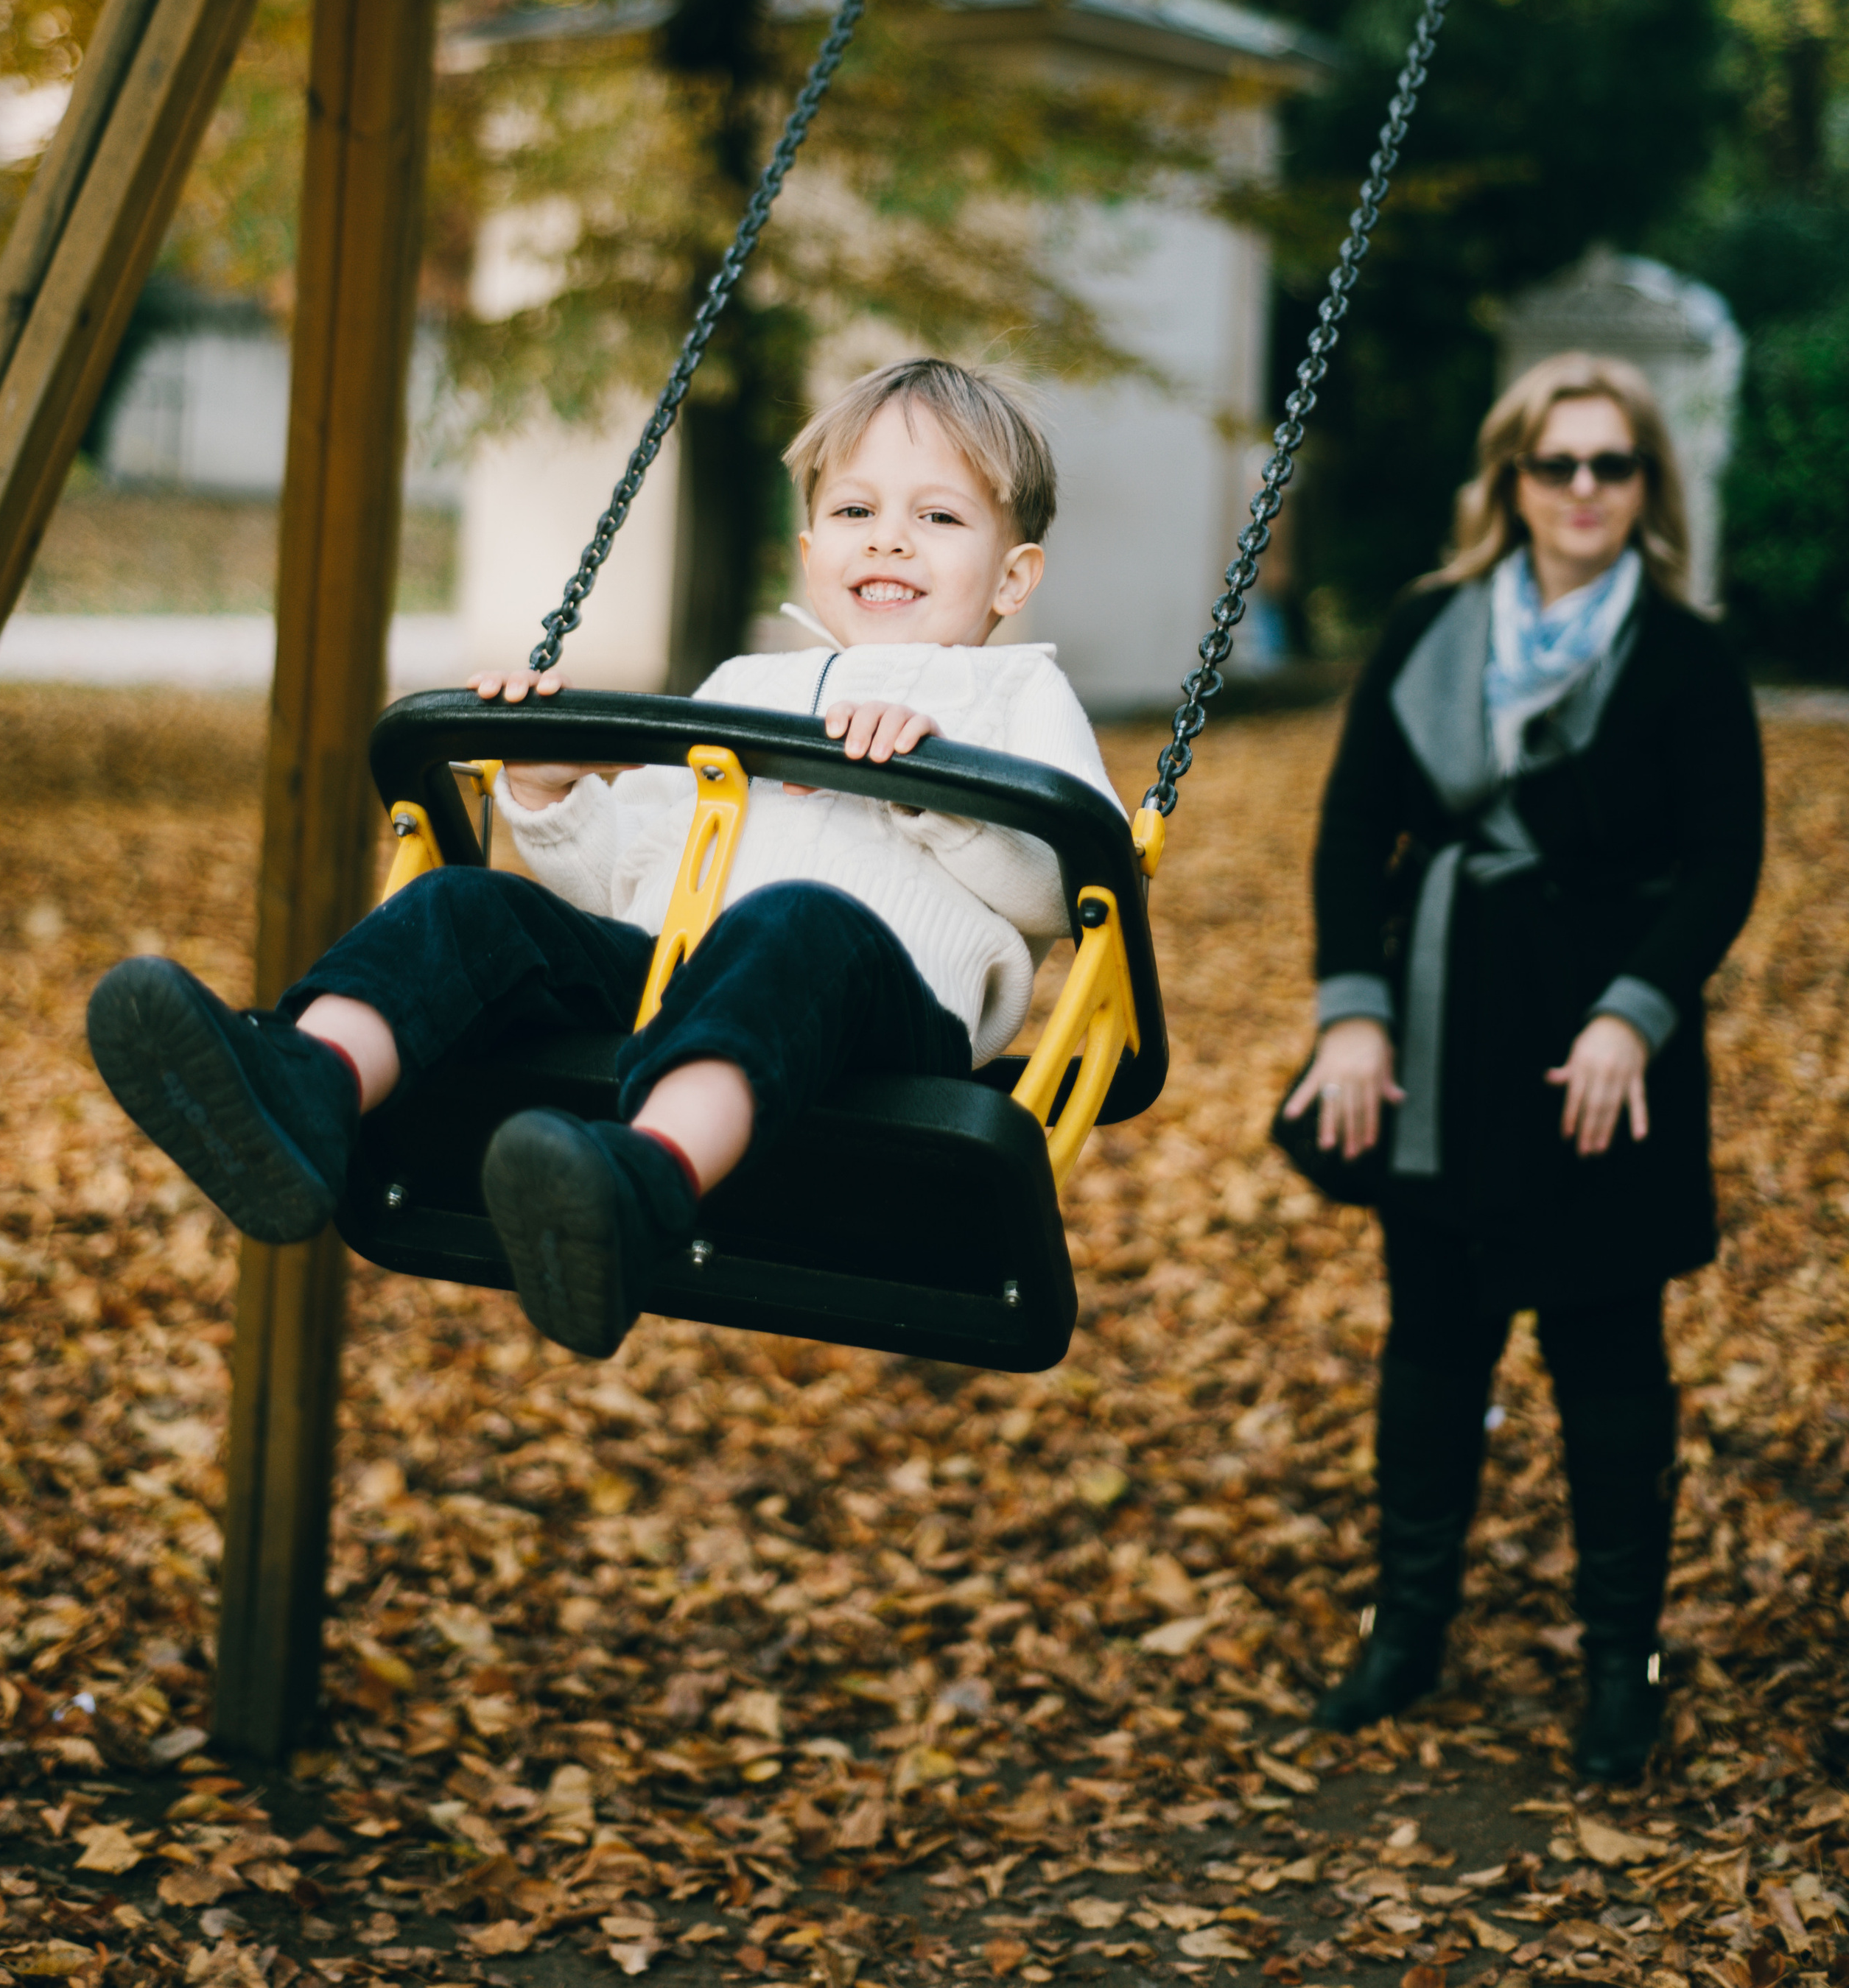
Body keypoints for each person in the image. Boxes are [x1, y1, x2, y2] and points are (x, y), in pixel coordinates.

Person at [87, 359, 1119, 1361]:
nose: (890, 539)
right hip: (676, 986)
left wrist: (923, 782)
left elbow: (1068, 888)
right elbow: (636, 881)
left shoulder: (1017, 695)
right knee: (467, 906)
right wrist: (549, 787)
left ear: (1013, 574)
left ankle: (641, 1183)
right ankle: (304, 1088)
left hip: (888, 1030)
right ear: (810, 549)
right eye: (856, 512)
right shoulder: (748, 684)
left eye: (937, 518)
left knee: (796, 921)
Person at [1282, 351, 1761, 1783]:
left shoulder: (1683, 654)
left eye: (1609, 466)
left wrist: (1633, 1012)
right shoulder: (1430, 628)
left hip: (1600, 1044)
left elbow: (1721, 863)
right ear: (1509, 479)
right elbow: (1345, 827)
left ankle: (1625, 1659)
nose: (1580, 490)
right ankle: (1403, 1628)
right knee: (1432, 1333)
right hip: (1436, 1019)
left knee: (1606, 1348)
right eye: (1554, 464)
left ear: (1642, 487)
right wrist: (1349, 1012)